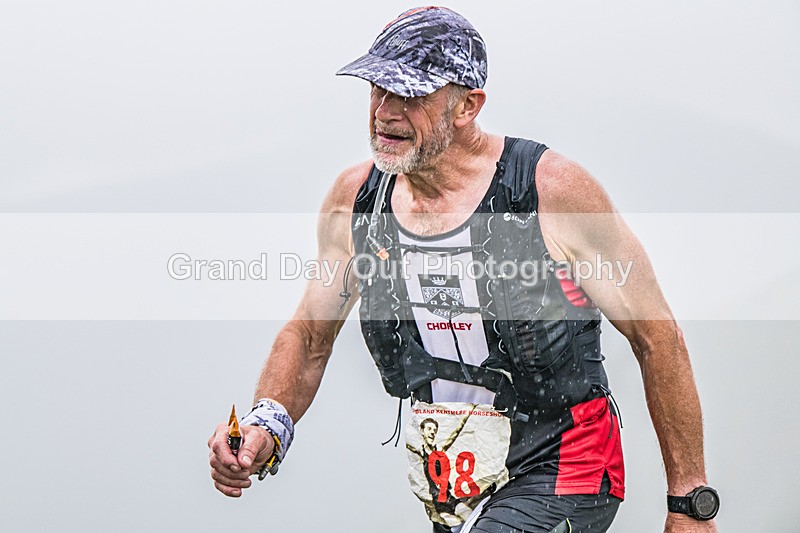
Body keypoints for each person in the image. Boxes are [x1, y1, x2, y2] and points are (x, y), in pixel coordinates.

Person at [208, 6, 719, 532]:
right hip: (456, 487)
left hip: (567, 464)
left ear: (467, 106)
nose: (386, 112)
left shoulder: (551, 191)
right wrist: (266, 423)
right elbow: (311, 334)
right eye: (377, 90)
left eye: (410, 95)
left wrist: (690, 503)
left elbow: (657, 338)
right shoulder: (357, 202)